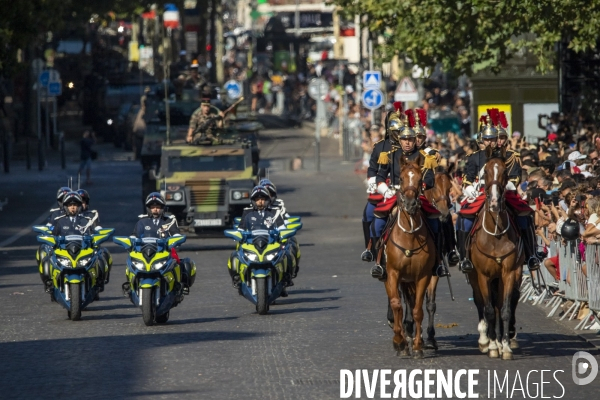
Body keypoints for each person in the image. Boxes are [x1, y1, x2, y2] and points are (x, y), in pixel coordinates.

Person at [456, 109, 539, 273]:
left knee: (524, 217)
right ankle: (464, 257)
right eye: (486, 139)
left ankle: (531, 255)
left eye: (493, 139)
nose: (490, 142)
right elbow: (468, 177)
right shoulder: (474, 157)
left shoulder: (509, 156)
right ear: (482, 140)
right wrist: (470, 187)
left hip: (505, 193)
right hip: (480, 195)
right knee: (464, 219)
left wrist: (507, 185)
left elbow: (515, 177)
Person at [372, 109, 443, 280]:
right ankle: (378, 260)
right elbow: (380, 177)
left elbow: (430, 179)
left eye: (410, 139)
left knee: (436, 224)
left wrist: (417, 188)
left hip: (417, 196)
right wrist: (386, 190)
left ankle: (438, 262)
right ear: (399, 139)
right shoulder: (389, 155)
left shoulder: (425, 156)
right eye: (404, 139)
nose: (407, 143)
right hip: (395, 195)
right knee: (377, 223)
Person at [132, 192, 195, 288]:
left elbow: (176, 233)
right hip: (145, 250)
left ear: (162, 208)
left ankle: (179, 285)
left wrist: (176, 240)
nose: (155, 209)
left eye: (158, 206)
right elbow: (135, 235)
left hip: (165, 250)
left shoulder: (169, 220)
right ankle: (131, 284)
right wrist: (130, 242)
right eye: (153, 207)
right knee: (131, 262)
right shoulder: (142, 222)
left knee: (180, 263)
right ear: (148, 208)